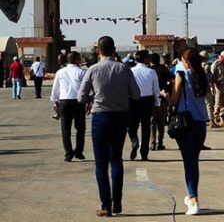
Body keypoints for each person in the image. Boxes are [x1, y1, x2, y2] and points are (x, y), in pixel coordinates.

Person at [77, 36, 140, 217]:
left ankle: (106, 204)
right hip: (120, 117)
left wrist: (92, 97)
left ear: (98, 51)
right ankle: (117, 202)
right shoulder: (125, 69)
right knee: (116, 159)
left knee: (101, 163)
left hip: (101, 117)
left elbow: (81, 97)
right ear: (114, 50)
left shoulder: (92, 70)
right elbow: (136, 94)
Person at [161, 47, 209, 215]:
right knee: (194, 162)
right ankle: (191, 196)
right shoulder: (202, 75)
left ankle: (194, 200)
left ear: (185, 60)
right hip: (201, 123)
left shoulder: (181, 74)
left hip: (186, 123)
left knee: (189, 164)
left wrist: (164, 95)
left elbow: (174, 100)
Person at [51, 51, 86, 161]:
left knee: (65, 129)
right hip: (78, 102)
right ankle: (79, 152)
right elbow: (86, 88)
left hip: (64, 102)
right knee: (80, 128)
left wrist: (55, 100)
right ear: (77, 60)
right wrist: (89, 101)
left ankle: (68, 154)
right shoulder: (81, 72)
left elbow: (55, 88)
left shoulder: (60, 72)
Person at [127, 50, 160, 161]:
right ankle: (144, 153)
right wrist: (157, 104)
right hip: (147, 100)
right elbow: (156, 90)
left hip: (133, 100)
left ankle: (134, 140)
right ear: (145, 59)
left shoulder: (130, 71)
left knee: (132, 126)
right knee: (146, 127)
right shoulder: (151, 72)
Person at [149, 52, 173, 150]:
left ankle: (152, 143)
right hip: (163, 99)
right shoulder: (164, 69)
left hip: (151, 100)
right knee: (161, 122)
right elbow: (173, 80)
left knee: (152, 122)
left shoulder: (148, 70)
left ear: (150, 60)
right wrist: (168, 90)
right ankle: (160, 142)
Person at [209, 51, 224, 127]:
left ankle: (222, 120)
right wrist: (214, 87)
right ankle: (214, 120)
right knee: (217, 104)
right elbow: (212, 76)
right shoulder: (215, 64)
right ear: (221, 56)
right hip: (218, 86)